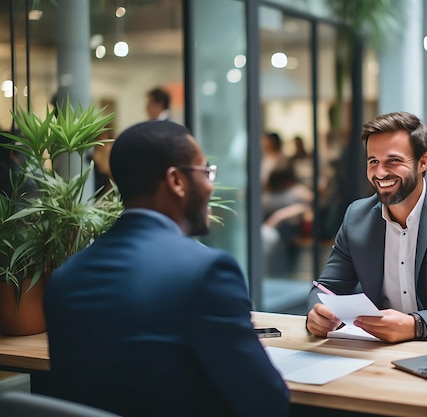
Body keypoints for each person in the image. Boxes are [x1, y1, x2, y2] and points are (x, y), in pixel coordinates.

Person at [44, 121, 290, 416]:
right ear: (177, 181)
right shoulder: (206, 271)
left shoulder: (65, 277)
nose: (211, 186)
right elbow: (267, 401)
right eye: (206, 172)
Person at [306, 111, 427, 342]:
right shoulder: (357, 216)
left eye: (393, 161)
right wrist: (316, 313)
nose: (380, 172)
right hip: (385, 351)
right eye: (373, 161)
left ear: (423, 162)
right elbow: (326, 287)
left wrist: (414, 325)